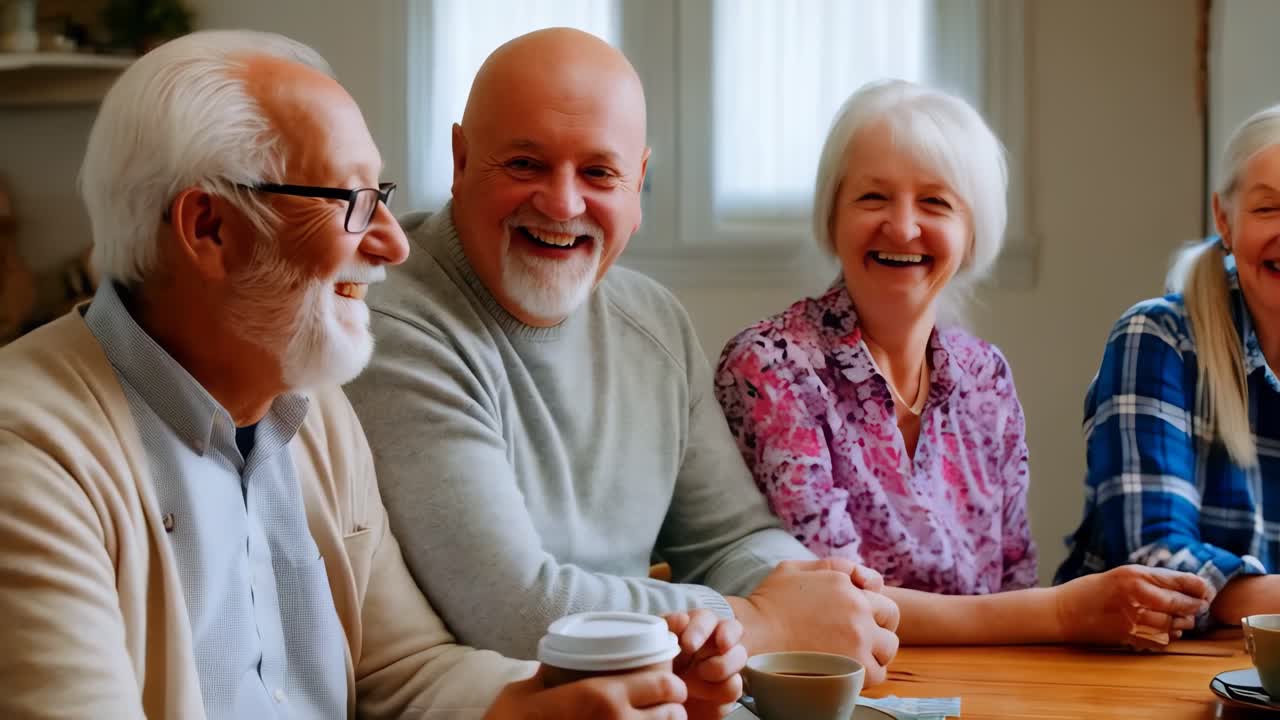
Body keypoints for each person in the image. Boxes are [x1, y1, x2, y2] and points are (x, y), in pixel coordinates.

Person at [0, 30, 744, 720]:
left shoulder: (313, 412)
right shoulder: (29, 454)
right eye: (351, 202)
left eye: (379, 199)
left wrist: (568, 699)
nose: (392, 244)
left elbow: (406, 669)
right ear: (210, 229)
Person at [345, 27, 902, 683]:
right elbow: (514, 611)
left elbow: (732, 538)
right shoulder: (387, 322)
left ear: (638, 181)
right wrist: (767, 624)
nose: (561, 202)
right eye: (525, 164)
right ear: (461, 161)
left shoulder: (655, 322)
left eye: (599, 172)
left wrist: (813, 586)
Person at [715, 79, 1209, 648]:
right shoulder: (769, 367)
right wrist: (1063, 613)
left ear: (972, 231)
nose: (902, 228)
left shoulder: (985, 376)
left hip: (984, 683)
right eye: (873, 198)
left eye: (935, 201)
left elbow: (1013, 578)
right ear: (832, 216)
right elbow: (834, 606)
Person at [1057, 103, 1280, 627]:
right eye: (1270, 208)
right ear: (1224, 219)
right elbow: (1154, 564)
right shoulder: (1159, 339)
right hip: (1139, 668)